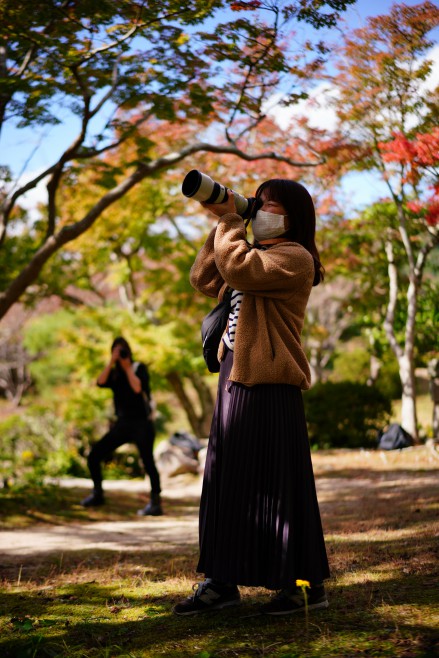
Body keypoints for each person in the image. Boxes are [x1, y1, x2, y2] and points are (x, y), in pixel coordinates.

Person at [173, 178, 330, 616]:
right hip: (233, 375)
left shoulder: (294, 259)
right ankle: (221, 581)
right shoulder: (254, 253)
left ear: (292, 216)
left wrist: (230, 218)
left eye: (268, 205)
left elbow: (238, 269)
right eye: (256, 203)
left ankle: (304, 584)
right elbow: (205, 275)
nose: (259, 210)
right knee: (226, 480)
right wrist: (227, 220)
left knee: (278, 484)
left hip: (271, 382)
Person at [81, 337, 163, 516]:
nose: (120, 354)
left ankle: (155, 503)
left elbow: (137, 388)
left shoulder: (138, 368)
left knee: (148, 462)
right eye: (117, 351)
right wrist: (111, 362)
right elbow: (100, 382)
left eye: (122, 351)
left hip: (142, 423)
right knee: (94, 455)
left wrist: (127, 368)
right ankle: (97, 494)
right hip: (122, 424)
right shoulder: (114, 373)